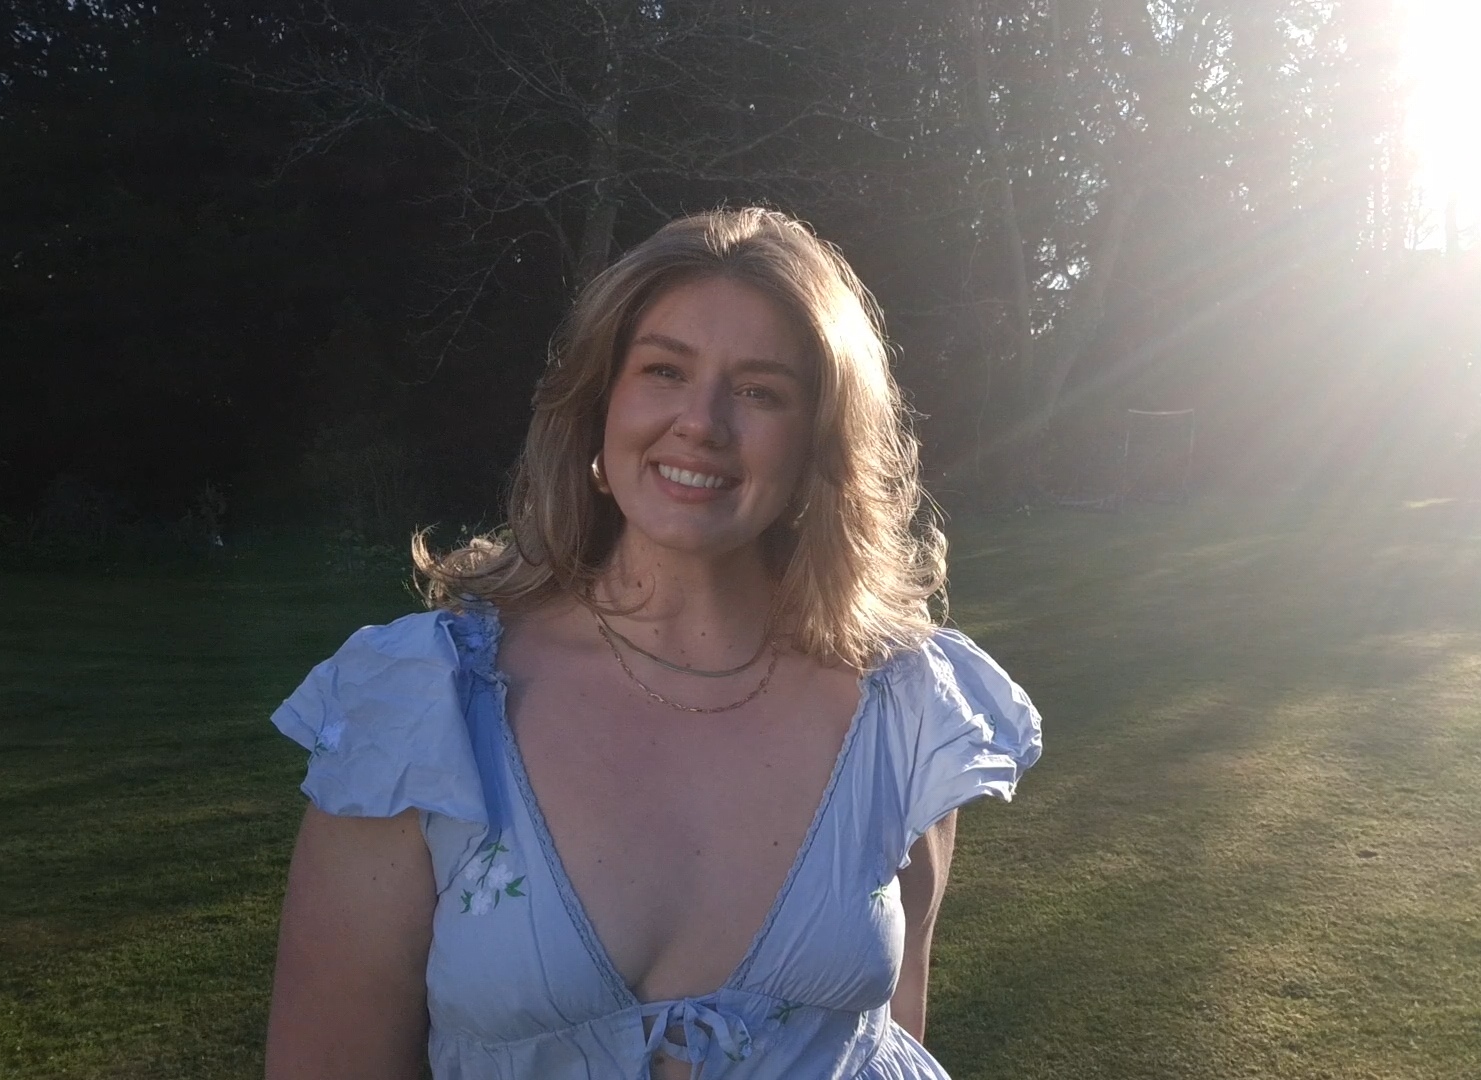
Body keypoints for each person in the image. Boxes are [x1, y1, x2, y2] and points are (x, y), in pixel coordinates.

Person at [263, 207, 1042, 1080]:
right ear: (600, 405)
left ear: (818, 442)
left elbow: (891, 1037)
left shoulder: (905, 710)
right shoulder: (421, 709)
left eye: (760, 391)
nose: (701, 422)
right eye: (665, 370)